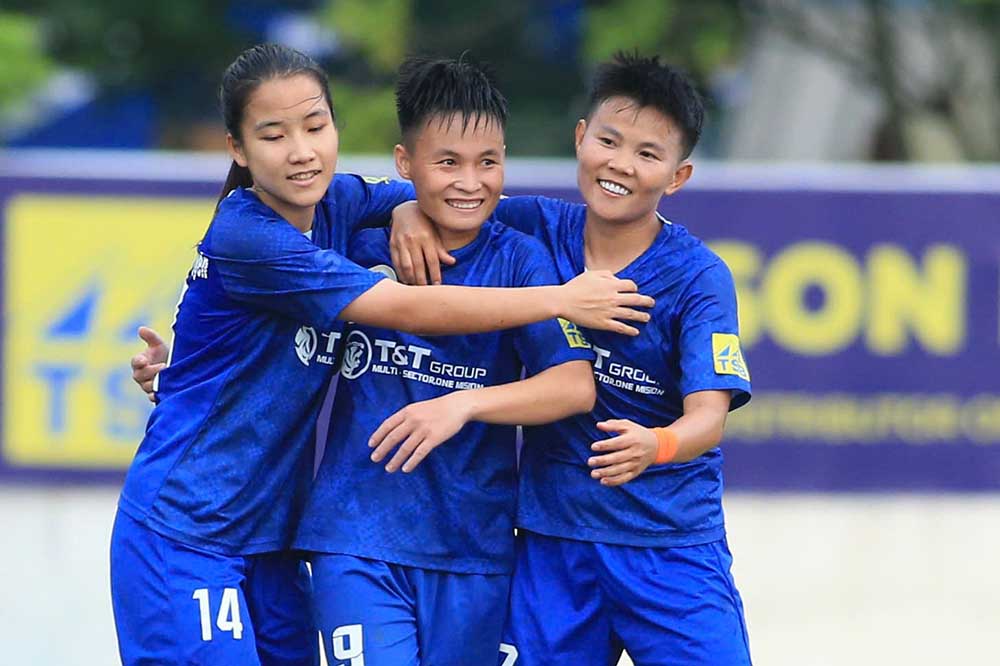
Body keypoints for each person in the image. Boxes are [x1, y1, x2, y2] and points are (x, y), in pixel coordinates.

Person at [110, 43, 652, 666]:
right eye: (272, 135)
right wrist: (559, 298)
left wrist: (406, 210)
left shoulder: (337, 204)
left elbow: (425, 183)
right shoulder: (248, 233)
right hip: (187, 526)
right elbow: (403, 308)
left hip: (272, 537)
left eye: (315, 126)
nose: (301, 150)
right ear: (237, 149)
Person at [390, 52, 753, 666]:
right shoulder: (534, 227)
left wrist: (655, 445)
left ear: (679, 175)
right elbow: (442, 193)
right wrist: (403, 212)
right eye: (609, 141)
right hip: (551, 545)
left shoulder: (699, 278)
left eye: (648, 154)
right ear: (581, 138)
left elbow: (708, 419)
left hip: (667, 545)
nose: (620, 164)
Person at [294, 54, 599, 666]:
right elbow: (267, 325)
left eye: (489, 162)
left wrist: (463, 405)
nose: (471, 182)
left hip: (473, 551)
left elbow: (574, 387)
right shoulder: (360, 248)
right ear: (405, 165)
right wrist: (179, 366)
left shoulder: (523, 262)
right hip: (357, 539)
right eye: (447, 163)